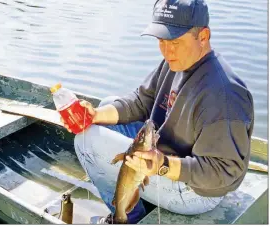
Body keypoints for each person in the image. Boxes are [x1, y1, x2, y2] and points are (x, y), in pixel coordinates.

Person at [61, 0, 254, 224]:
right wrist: (94, 115)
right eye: (161, 40)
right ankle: (132, 202)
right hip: (168, 155)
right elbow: (143, 101)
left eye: (175, 41)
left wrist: (163, 165)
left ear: (203, 36)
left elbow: (222, 172)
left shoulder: (224, 95)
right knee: (105, 108)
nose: (167, 50)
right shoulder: (177, 61)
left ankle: (126, 216)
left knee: (86, 140)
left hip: (198, 192)